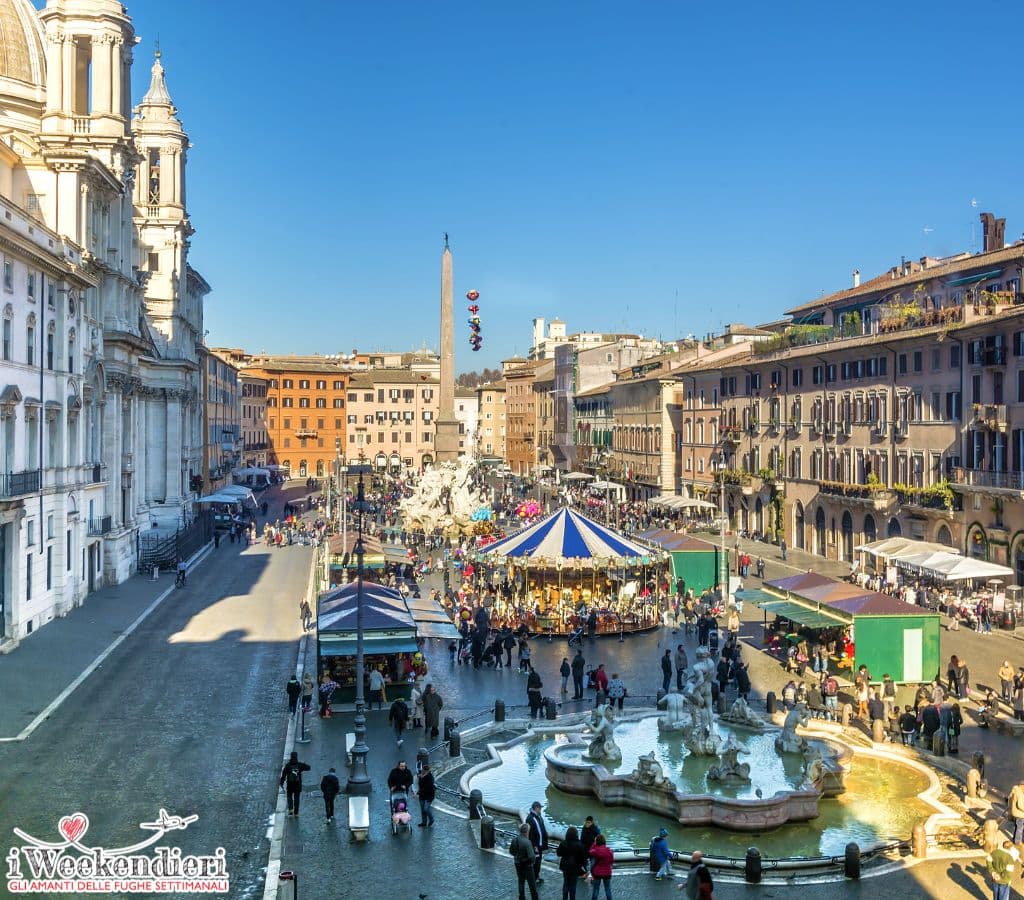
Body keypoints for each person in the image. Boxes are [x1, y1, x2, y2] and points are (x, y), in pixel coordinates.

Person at [557, 825, 587, 900]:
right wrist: (585, 868)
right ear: (576, 834)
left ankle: (564, 898)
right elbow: (583, 858)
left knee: (566, 883)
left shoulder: (564, 843)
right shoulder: (579, 844)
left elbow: (558, 853)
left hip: (565, 867)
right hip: (575, 868)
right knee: (573, 885)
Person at [510, 823, 539, 900]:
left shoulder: (514, 840)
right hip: (527, 866)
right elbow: (532, 857)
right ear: (527, 831)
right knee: (532, 884)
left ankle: (521, 897)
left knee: (521, 881)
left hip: (517, 864)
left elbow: (511, 852)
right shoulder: (527, 842)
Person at [279, 751, 310, 817]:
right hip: (297, 785)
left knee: (289, 796)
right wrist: (304, 764)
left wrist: (281, 783)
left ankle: (290, 810)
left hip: (290, 784)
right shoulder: (299, 765)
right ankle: (296, 813)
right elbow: (308, 768)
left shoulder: (288, 765)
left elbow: (283, 775)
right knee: (297, 798)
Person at [526, 801, 549, 885]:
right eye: (540, 808)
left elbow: (541, 829)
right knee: (536, 862)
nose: (541, 810)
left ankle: (536, 876)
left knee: (537, 862)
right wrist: (534, 846)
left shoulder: (538, 817)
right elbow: (530, 834)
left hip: (539, 845)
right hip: (535, 846)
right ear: (536, 808)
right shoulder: (530, 819)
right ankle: (534, 878)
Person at [588, 833, 614, 900]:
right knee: (608, 889)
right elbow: (611, 861)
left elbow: (590, 852)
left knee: (596, 889)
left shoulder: (596, 851)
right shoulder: (609, 851)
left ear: (597, 842)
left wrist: (594, 844)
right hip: (607, 873)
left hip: (597, 873)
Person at [414, 762, 436, 827]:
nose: (423, 771)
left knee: (426, 808)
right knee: (422, 809)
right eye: (423, 770)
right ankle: (424, 822)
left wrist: (417, 793)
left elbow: (426, 787)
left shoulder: (430, 777)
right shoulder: (421, 776)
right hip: (422, 795)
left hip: (429, 795)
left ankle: (431, 819)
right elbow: (420, 785)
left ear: (427, 771)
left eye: (424, 771)